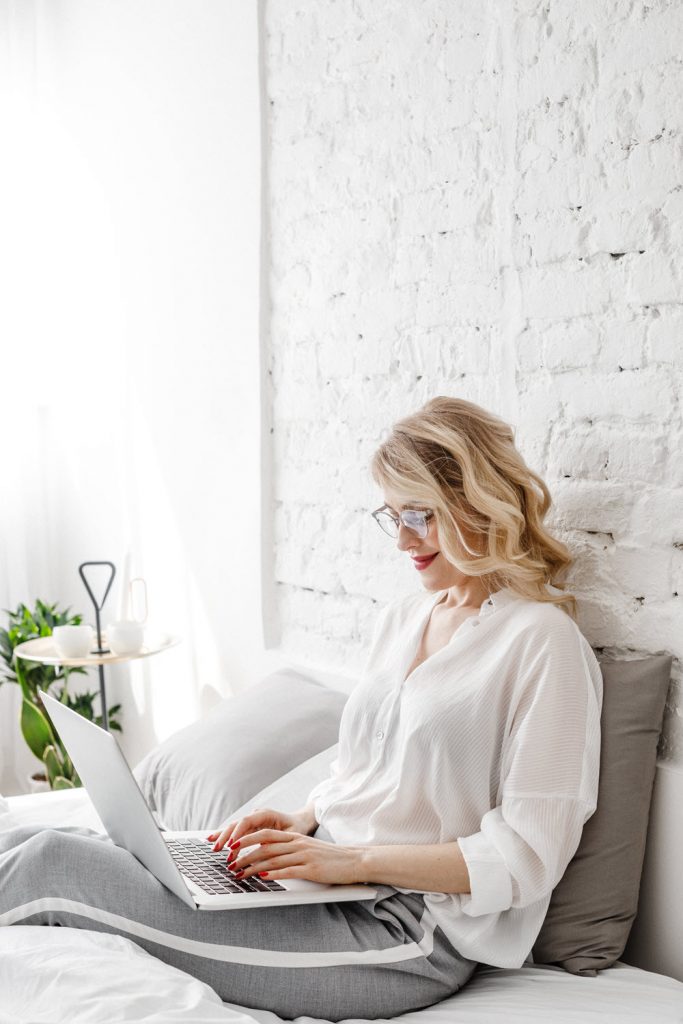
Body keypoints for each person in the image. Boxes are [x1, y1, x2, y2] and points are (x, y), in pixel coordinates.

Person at [0, 396, 602, 1021]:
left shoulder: (542, 643)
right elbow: (368, 765)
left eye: (419, 515)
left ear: (476, 500)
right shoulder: (406, 618)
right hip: (322, 882)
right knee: (38, 835)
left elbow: (528, 855)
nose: (402, 540)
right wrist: (305, 818)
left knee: (55, 866)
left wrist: (351, 862)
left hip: (403, 931)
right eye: (391, 516)